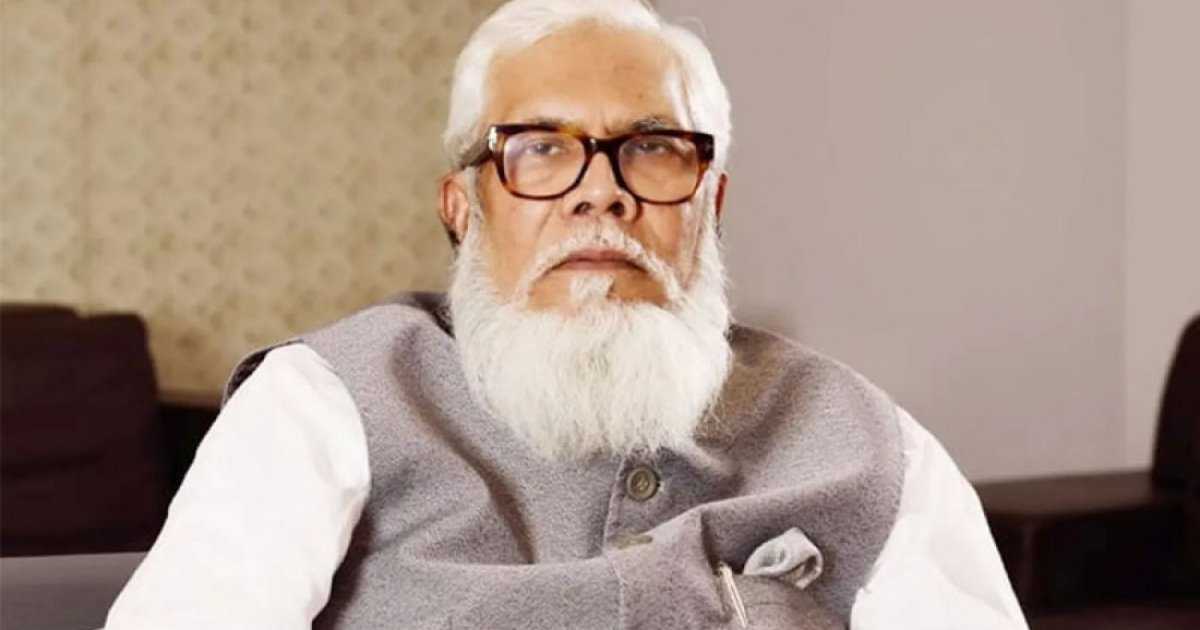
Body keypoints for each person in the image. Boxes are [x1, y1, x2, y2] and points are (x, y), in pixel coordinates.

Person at [105, 1, 1027, 628]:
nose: (601, 194)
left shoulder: (873, 445)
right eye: (541, 149)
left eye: (654, 150)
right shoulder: (322, 403)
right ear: (464, 207)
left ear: (710, 204)